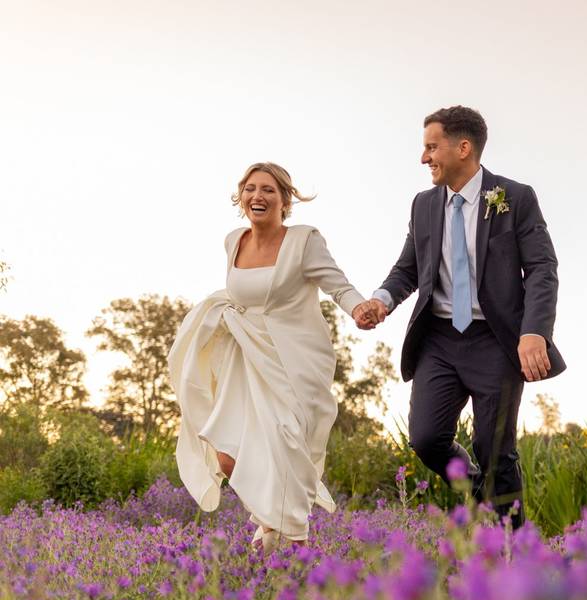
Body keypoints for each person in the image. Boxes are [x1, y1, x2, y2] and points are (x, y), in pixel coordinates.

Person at [364, 106, 565, 528]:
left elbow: (543, 269)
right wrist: (382, 300)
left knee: (495, 450)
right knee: (426, 439)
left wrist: (534, 333)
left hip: (495, 340)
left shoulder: (515, 198)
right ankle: (484, 494)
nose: (424, 158)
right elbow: (408, 269)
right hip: (438, 339)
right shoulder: (423, 205)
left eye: (431, 147)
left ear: (464, 147)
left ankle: (516, 545)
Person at [168, 162, 375, 553]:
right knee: (228, 457)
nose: (257, 196)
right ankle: (271, 529)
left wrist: (359, 308)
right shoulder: (233, 241)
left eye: (267, 190)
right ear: (240, 196)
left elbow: (338, 285)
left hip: (294, 362)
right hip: (244, 359)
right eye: (249, 189)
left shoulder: (303, 241)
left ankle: (291, 543)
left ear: (285, 199)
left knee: (286, 449)